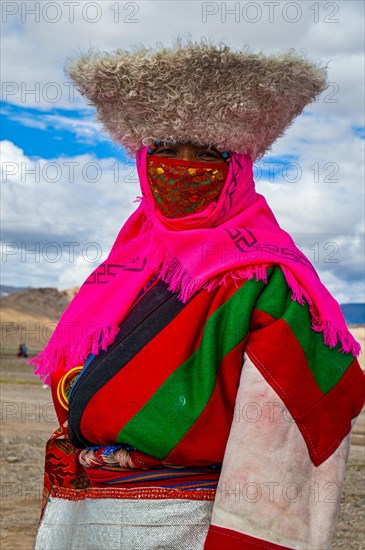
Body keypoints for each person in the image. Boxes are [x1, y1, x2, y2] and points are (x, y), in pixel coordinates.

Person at [29, 38, 365, 550]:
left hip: (184, 525)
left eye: (208, 153)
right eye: (166, 149)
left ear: (238, 168)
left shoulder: (271, 283)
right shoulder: (121, 270)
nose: (183, 168)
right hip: (82, 518)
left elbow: (283, 444)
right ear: (144, 159)